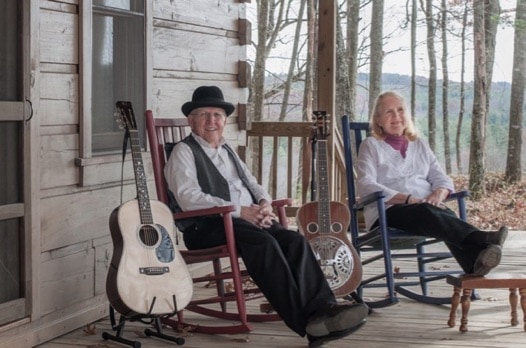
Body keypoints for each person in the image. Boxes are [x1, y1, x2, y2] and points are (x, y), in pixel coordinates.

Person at [164, 85, 368, 347]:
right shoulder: (184, 152)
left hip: (245, 221)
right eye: (204, 115)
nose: (211, 121)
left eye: (217, 115)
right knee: (265, 244)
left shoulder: (227, 150)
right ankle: (307, 323)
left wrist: (263, 203)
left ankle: (325, 309)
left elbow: (253, 183)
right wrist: (241, 211)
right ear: (191, 120)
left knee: (295, 241)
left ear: (224, 120)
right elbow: (188, 197)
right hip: (206, 225)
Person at [356, 90, 508, 276]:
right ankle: (482, 238)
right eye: (389, 112)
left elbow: (441, 177)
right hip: (387, 213)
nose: (396, 116)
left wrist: (439, 193)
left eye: (400, 110)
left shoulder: (419, 144)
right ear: (378, 120)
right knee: (429, 211)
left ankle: (475, 263)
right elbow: (365, 184)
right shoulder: (371, 145)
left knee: (441, 211)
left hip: (425, 212)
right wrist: (409, 199)